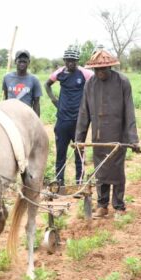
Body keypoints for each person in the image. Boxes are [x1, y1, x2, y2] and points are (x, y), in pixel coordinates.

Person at [75, 49, 141, 218]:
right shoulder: (90, 84)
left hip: (118, 135)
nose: (100, 72)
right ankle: (102, 205)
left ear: (111, 67)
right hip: (98, 136)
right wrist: (79, 139)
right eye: (97, 70)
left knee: (117, 171)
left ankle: (118, 206)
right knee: (101, 171)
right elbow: (84, 112)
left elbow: (130, 112)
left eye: (103, 69)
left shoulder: (122, 82)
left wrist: (133, 138)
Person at [45, 46, 94, 186]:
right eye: (67, 61)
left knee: (79, 152)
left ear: (77, 61)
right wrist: (55, 101)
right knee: (61, 153)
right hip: (62, 121)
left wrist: (89, 105)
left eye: (73, 61)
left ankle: (79, 182)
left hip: (79, 122)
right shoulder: (60, 73)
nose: (70, 63)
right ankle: (59, 183)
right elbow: (47, 84)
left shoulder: (85, 74)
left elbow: (96, 82)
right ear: (64, 61)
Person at [2, 49, 42, 116]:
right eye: (20, 61)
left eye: (24, 61)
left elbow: (36, 103)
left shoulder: (34, 80)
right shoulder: (7, 77)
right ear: (15, 61)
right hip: (10, 115)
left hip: (25, 117)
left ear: (29, 62)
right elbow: (6, 97)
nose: (22, 63)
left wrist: (36, 121)